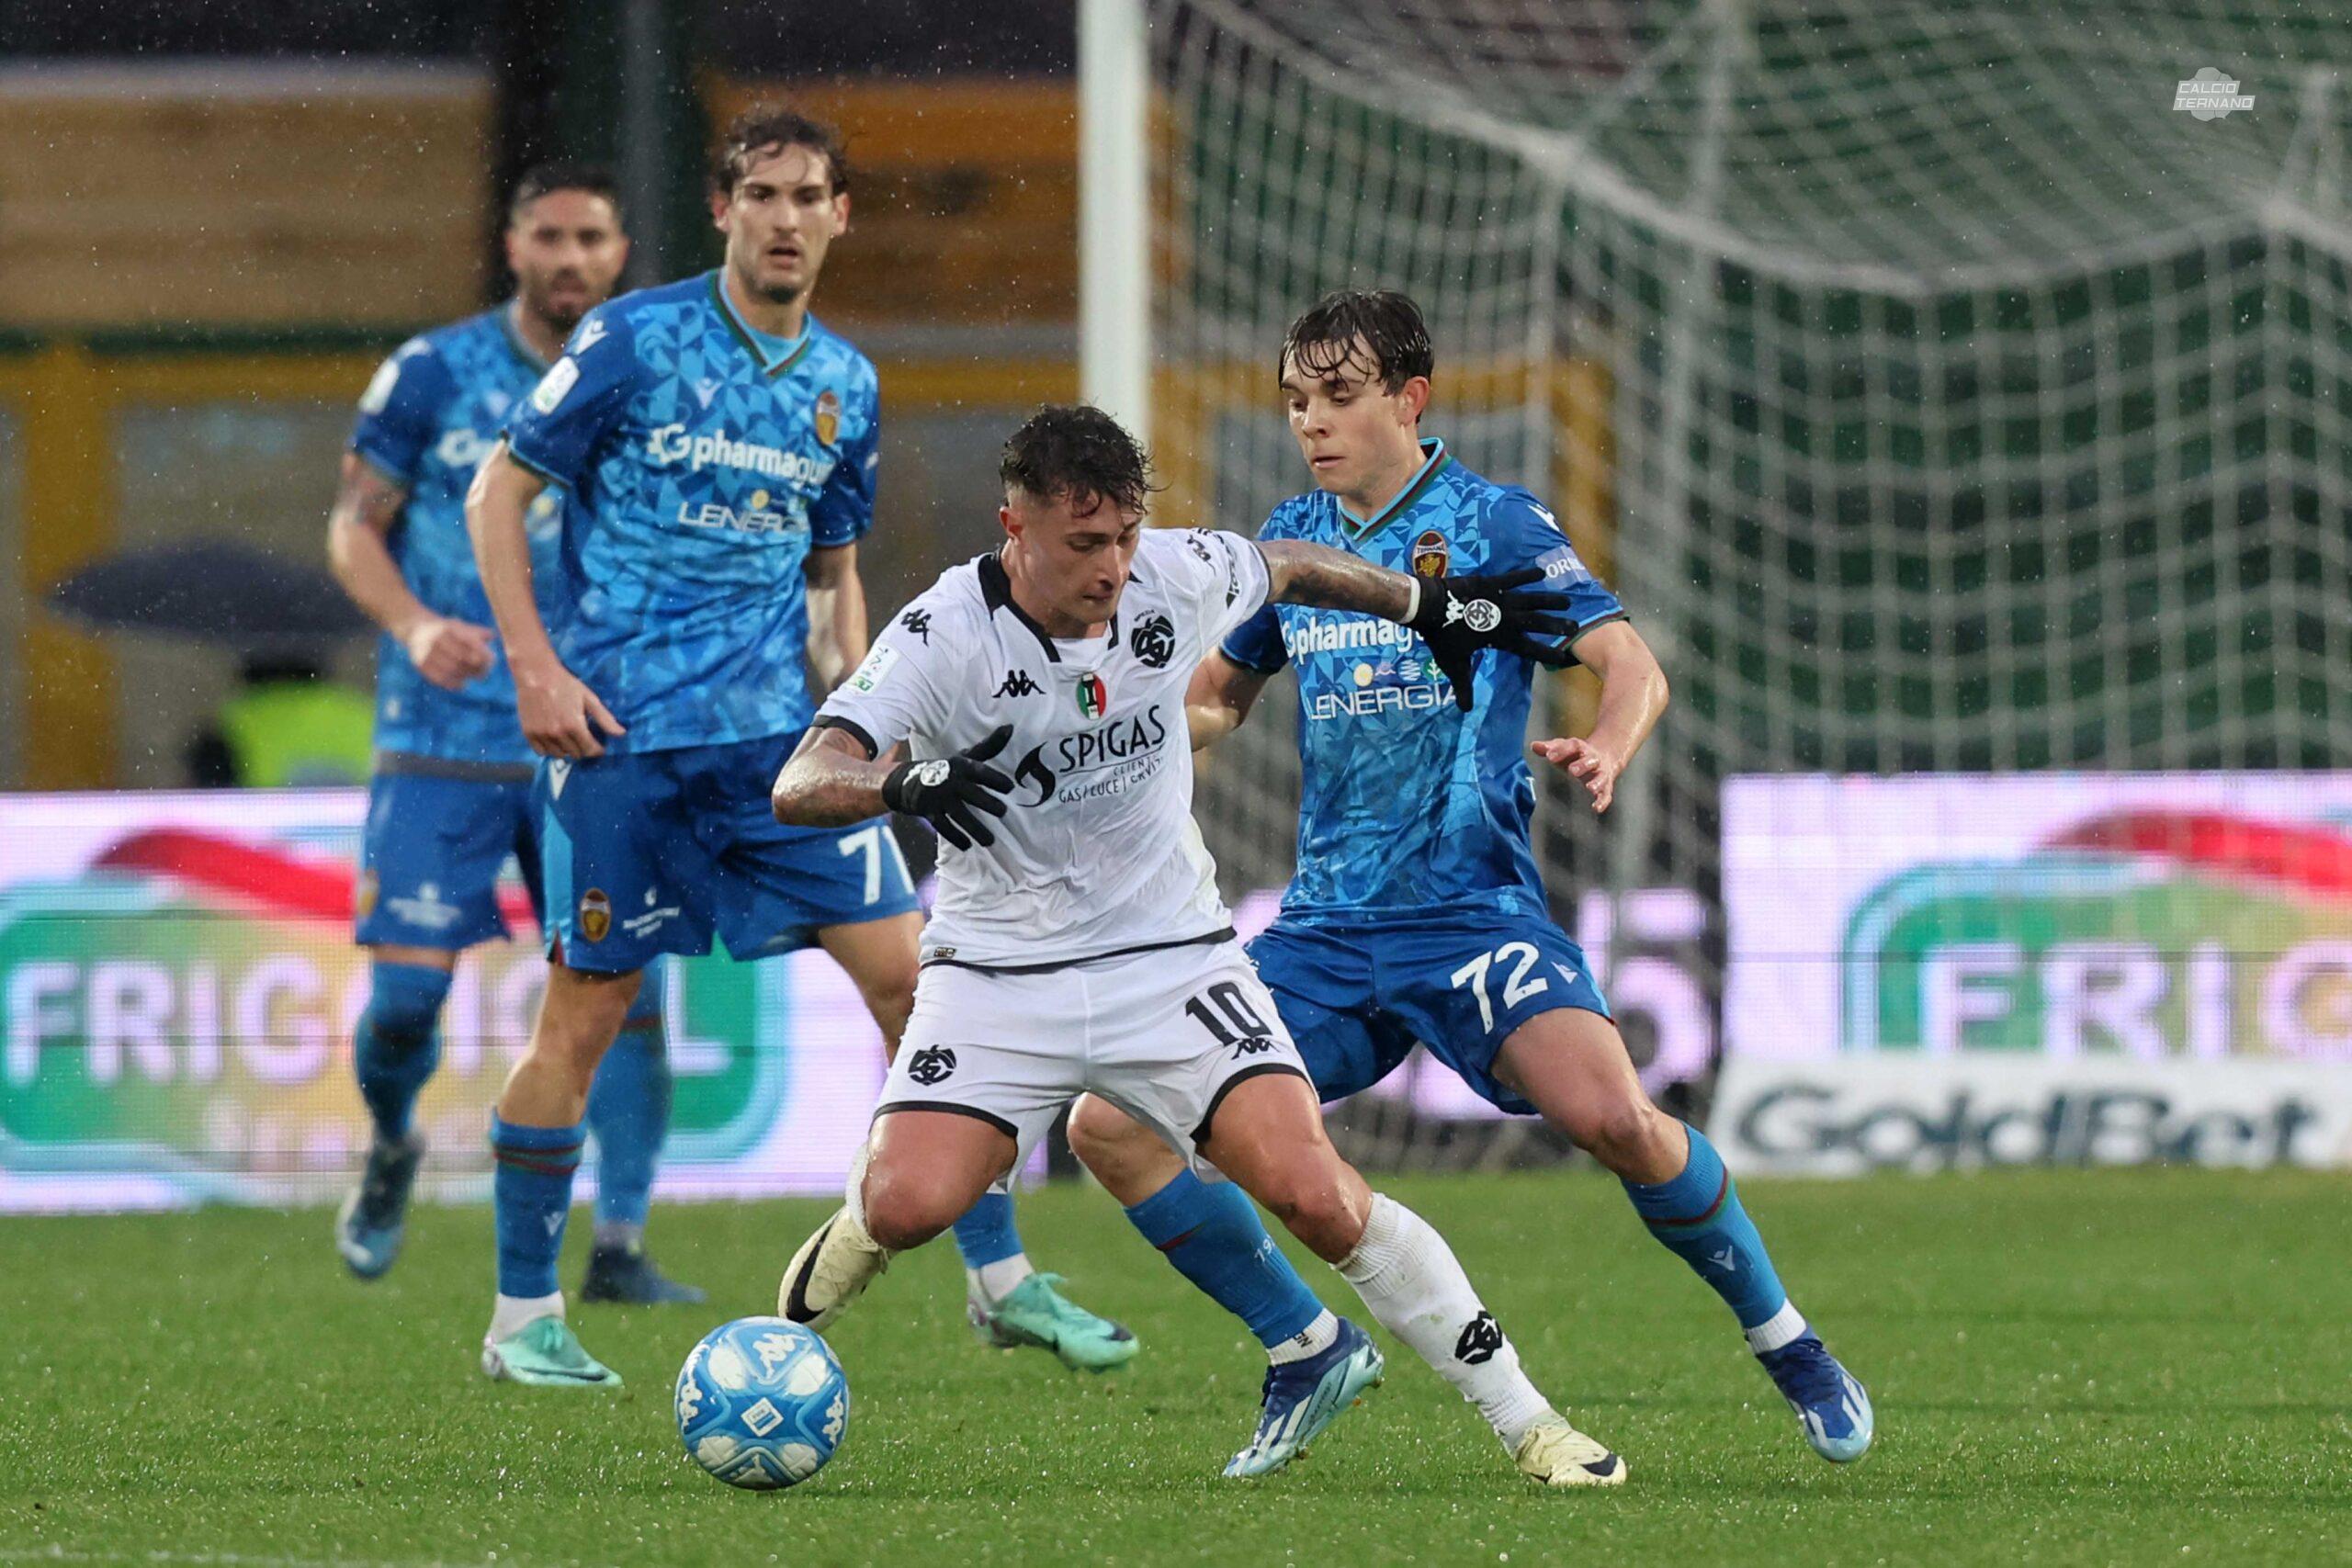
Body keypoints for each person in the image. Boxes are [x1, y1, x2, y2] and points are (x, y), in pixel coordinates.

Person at [1066, 289, 1874, 1465]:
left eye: (1338, 397)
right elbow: (1213, 702)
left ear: (1409, 397)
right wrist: (1107, 740)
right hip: (1325, 934)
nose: (1312, 424)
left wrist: (1606, 740)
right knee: (1111, 1126)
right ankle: (1302, 1348)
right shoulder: (1293, 536)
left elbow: (1628, 663)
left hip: (1469, 915)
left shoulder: (1493, 524)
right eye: (1296, 401)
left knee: (1617, 1120)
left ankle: (1787, 1340)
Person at [772, 403, 1626, 1485]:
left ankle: (1531, 1425)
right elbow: (802, 778)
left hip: (1171, 958)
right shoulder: (941, 633)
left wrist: (1429, 604)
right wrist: (901, 781)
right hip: (994, 972)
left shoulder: (1173, 576)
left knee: (1316, 1193)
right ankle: (801, 1311)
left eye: (1126, 535)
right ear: (1013, 530)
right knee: (904, 1205)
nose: (1114, 566)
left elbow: (1295, 566)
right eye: (1085, 544)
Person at [463, 108, 1130, 1388]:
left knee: (924, 989)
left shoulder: (847, 385)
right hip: (624, 744)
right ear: (723, 210)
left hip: (779, 759)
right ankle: (520, 1315)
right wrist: (534, 669)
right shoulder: (632, 339)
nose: (783, 216)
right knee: (583, 1021)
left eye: (807, 195)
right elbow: (498, 490)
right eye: (760, 193)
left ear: (840, 216)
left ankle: (1001, 1278)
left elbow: (834, 575)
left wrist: (870, 712)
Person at [325, 163, 698, 1304]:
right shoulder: (435, 373)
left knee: (623, 991)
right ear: (513, 247)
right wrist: (414, 620)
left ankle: (621, 1244)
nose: (571, 258)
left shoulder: (657, 376)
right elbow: (351, 529)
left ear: (621, 250)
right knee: (403, 1001)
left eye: (591, 236)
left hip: (594, 735)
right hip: (440, 733)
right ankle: (392, 1145)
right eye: (551, 236)